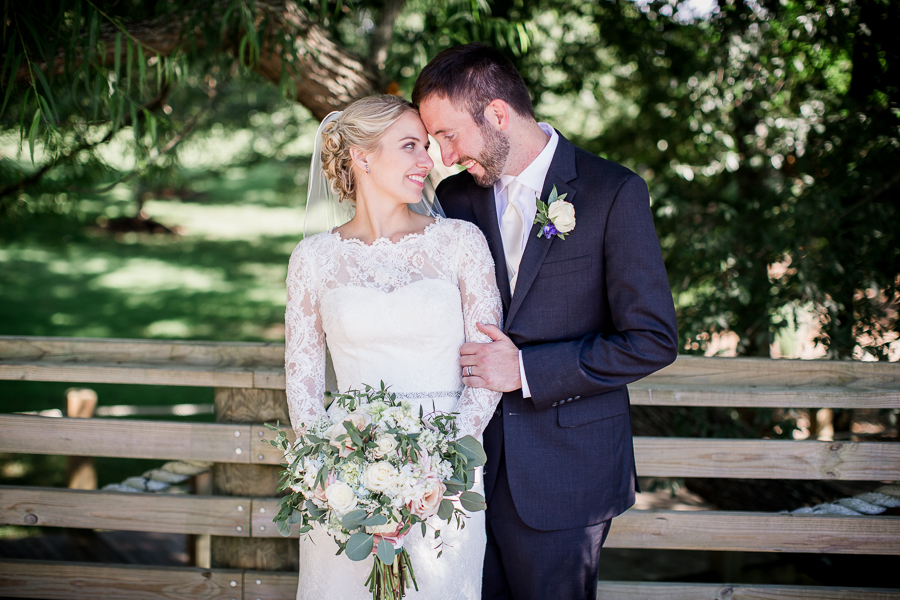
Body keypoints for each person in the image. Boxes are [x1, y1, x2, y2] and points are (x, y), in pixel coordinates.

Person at [412, 43, 679, 600]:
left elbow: (651, 341)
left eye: (448, 135)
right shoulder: (455, 197)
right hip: (466, 475)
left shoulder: (613, 192)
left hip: (567, 476)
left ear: (498, 114)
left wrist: (527, 370)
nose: (442, 154)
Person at [284, 94, 502, 600]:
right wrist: (334, 472)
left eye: (426, 146)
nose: (428, 161)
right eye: (410, 146)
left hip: (447, 481)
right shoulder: (313, 259)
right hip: (344, 480)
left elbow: (486, 365)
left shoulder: (460, 243)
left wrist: (439, 465)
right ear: (361, 156)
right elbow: (303, 382)